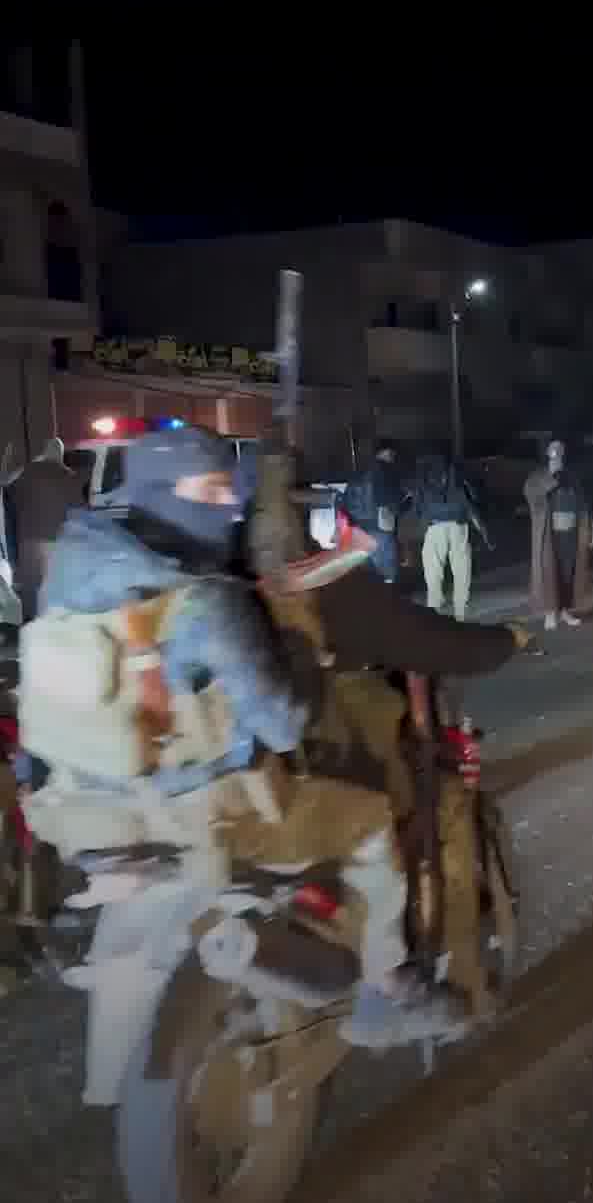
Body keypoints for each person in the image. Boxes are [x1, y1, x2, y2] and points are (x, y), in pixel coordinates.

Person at [21, 426, 530, 1045]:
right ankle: (391, 981)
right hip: (207, 811)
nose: (225, 508)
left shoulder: (71, 583)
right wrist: (300, 656)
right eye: (207, 492)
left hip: (86, 812)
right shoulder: (208, 601)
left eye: (226, 491)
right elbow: (285, 724)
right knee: (370, 818)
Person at [2, 437, 84, 622]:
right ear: (60, 454)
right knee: (54, 585)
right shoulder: (68, 475)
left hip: (28, 541)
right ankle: (53, 624)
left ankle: (31, 623)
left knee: (31, 585)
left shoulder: (26, 473)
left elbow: (10, 497)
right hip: (57, 542)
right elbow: (79, 511)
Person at [524, 440, 593, 631]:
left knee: (568, 572)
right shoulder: (538, 476)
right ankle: (550, 613)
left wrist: (590, 527)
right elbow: (531, 494)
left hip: (571, 533)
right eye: (553, 449)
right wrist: (552, 477)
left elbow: (584, 504)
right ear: (547, 452)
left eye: (560, 449)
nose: (557, 452)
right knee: (550, 572)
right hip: (549, 535)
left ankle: (564, 611)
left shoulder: (572, 475)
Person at [413, 450, 490, 622]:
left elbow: (417, 507)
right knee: (462, 567)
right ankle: (461, 609)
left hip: (434, 526)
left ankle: (435, 606)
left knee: (433, 569)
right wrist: (482, 530)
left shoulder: (424, 476)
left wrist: (423, 522)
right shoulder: (458, 473)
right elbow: (473, 499)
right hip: (458, 524)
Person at [340, 441, 403, 585]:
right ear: (384, 453)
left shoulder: (359, 472)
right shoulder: (385, 471)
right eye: (392, 454)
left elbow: (346, 500)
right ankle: (389, 598)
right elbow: (389, 500)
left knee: (368, 569)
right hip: (380, 526)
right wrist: (404, 504)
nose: (393, 457)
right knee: (387, 569)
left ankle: (372, 600)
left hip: (360, 527)